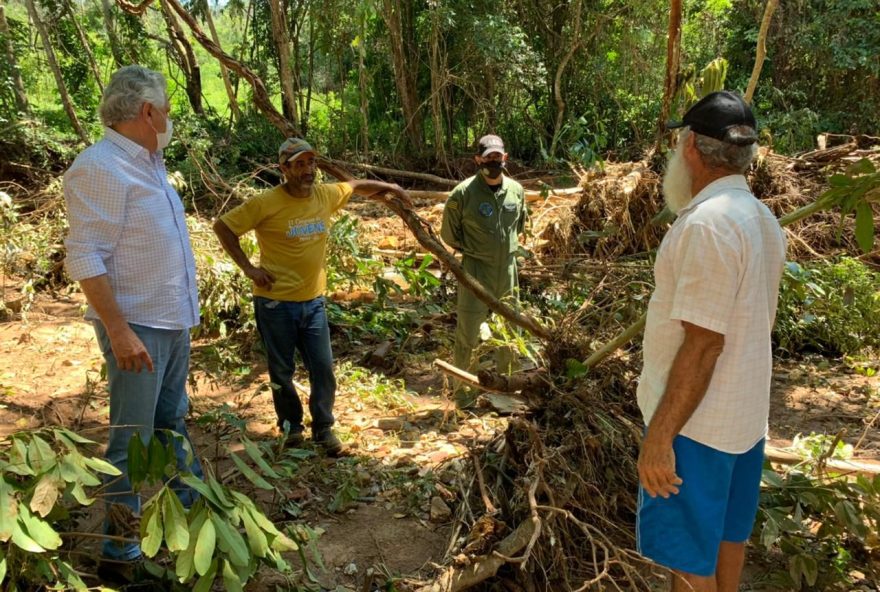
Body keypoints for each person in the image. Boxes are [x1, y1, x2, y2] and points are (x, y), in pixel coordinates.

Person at [635, 91, 786, 592]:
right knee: (726, 542)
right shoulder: (761, 219)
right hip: (741, 421)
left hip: (696, 430)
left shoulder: (707, 225)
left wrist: (660, 438)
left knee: (688, 562)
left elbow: (703, 345)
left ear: (691, 149)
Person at [63, 65, 204, 580]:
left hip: (169, 322)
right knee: (132, 440)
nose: (168, 119)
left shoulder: (149, 162)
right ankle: (119, 556)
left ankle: (199, 515)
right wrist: (118, 331)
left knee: (171, 424)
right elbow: (84, 256)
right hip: (137, 328)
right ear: (148, 112)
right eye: (166, 110)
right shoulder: (100, 166)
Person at [213, 138, 411, 455]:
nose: (308, 170)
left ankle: (324, 430)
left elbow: (357, 185)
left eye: (311, 163)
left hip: (314, 302)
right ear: (284, 168)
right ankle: (291, 429)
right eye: (300, 164)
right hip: (275, 303)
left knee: (323, 369)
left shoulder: (323, 195)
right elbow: (223, 226)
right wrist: (249, 268)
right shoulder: (266, 202)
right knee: (282, 372)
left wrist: (391, 188)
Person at [440, 134, 526, 407]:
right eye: (487, 157)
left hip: (508, 271)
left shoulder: (516, 190)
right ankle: (464, 395)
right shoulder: (463, 194)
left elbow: (518, 227)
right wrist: (476, 252)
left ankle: (506, 394)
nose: (492, 162)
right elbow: (449, 234)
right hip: (475, 270)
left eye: (497, 157)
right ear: (477, 160)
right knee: (468, 331)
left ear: (505, 158)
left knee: (509, 333)